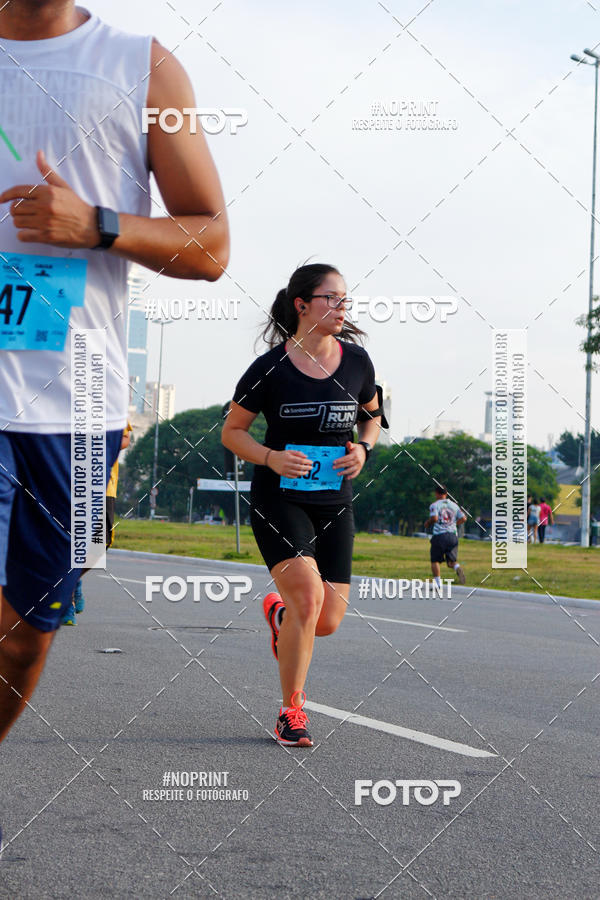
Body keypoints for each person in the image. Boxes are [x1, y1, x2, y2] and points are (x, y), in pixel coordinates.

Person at [0, 1, 229, 744]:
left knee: (29, 631)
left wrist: (97, 223)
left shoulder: (144, 67)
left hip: (77, 409)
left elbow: (211, 244)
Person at [222, 264, 385, 747]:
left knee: (326, 621)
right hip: (279, 498)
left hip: (335, 502)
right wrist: (271, 456)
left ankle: (280, 617)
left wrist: (364, 448)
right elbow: (233, 433)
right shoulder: (269, 368)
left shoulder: (357, 361)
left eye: (344, 300)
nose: (341, 308)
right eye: (331, 299)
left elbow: (372, 417)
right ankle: (291, 711)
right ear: (302, 304)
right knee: (309, 601)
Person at [61, 422, 132, 625]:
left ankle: (73, 580)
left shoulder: (106, 399)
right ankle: (67, 599)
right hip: (68, 481)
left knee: (100, 544)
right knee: (68, 538)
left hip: (104, 483)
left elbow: (125, 438)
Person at [424, 485, 467, 588]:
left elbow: (434, 518)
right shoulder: (454, 505)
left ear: (436, 493)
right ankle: (457, 567)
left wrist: (427, 523)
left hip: (440, 535)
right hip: (452, 536)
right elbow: (464, 518)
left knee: (435, 561)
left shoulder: (435, 505)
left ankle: (438, 584)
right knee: (450, 562)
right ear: (446, 493)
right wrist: (453, 524)